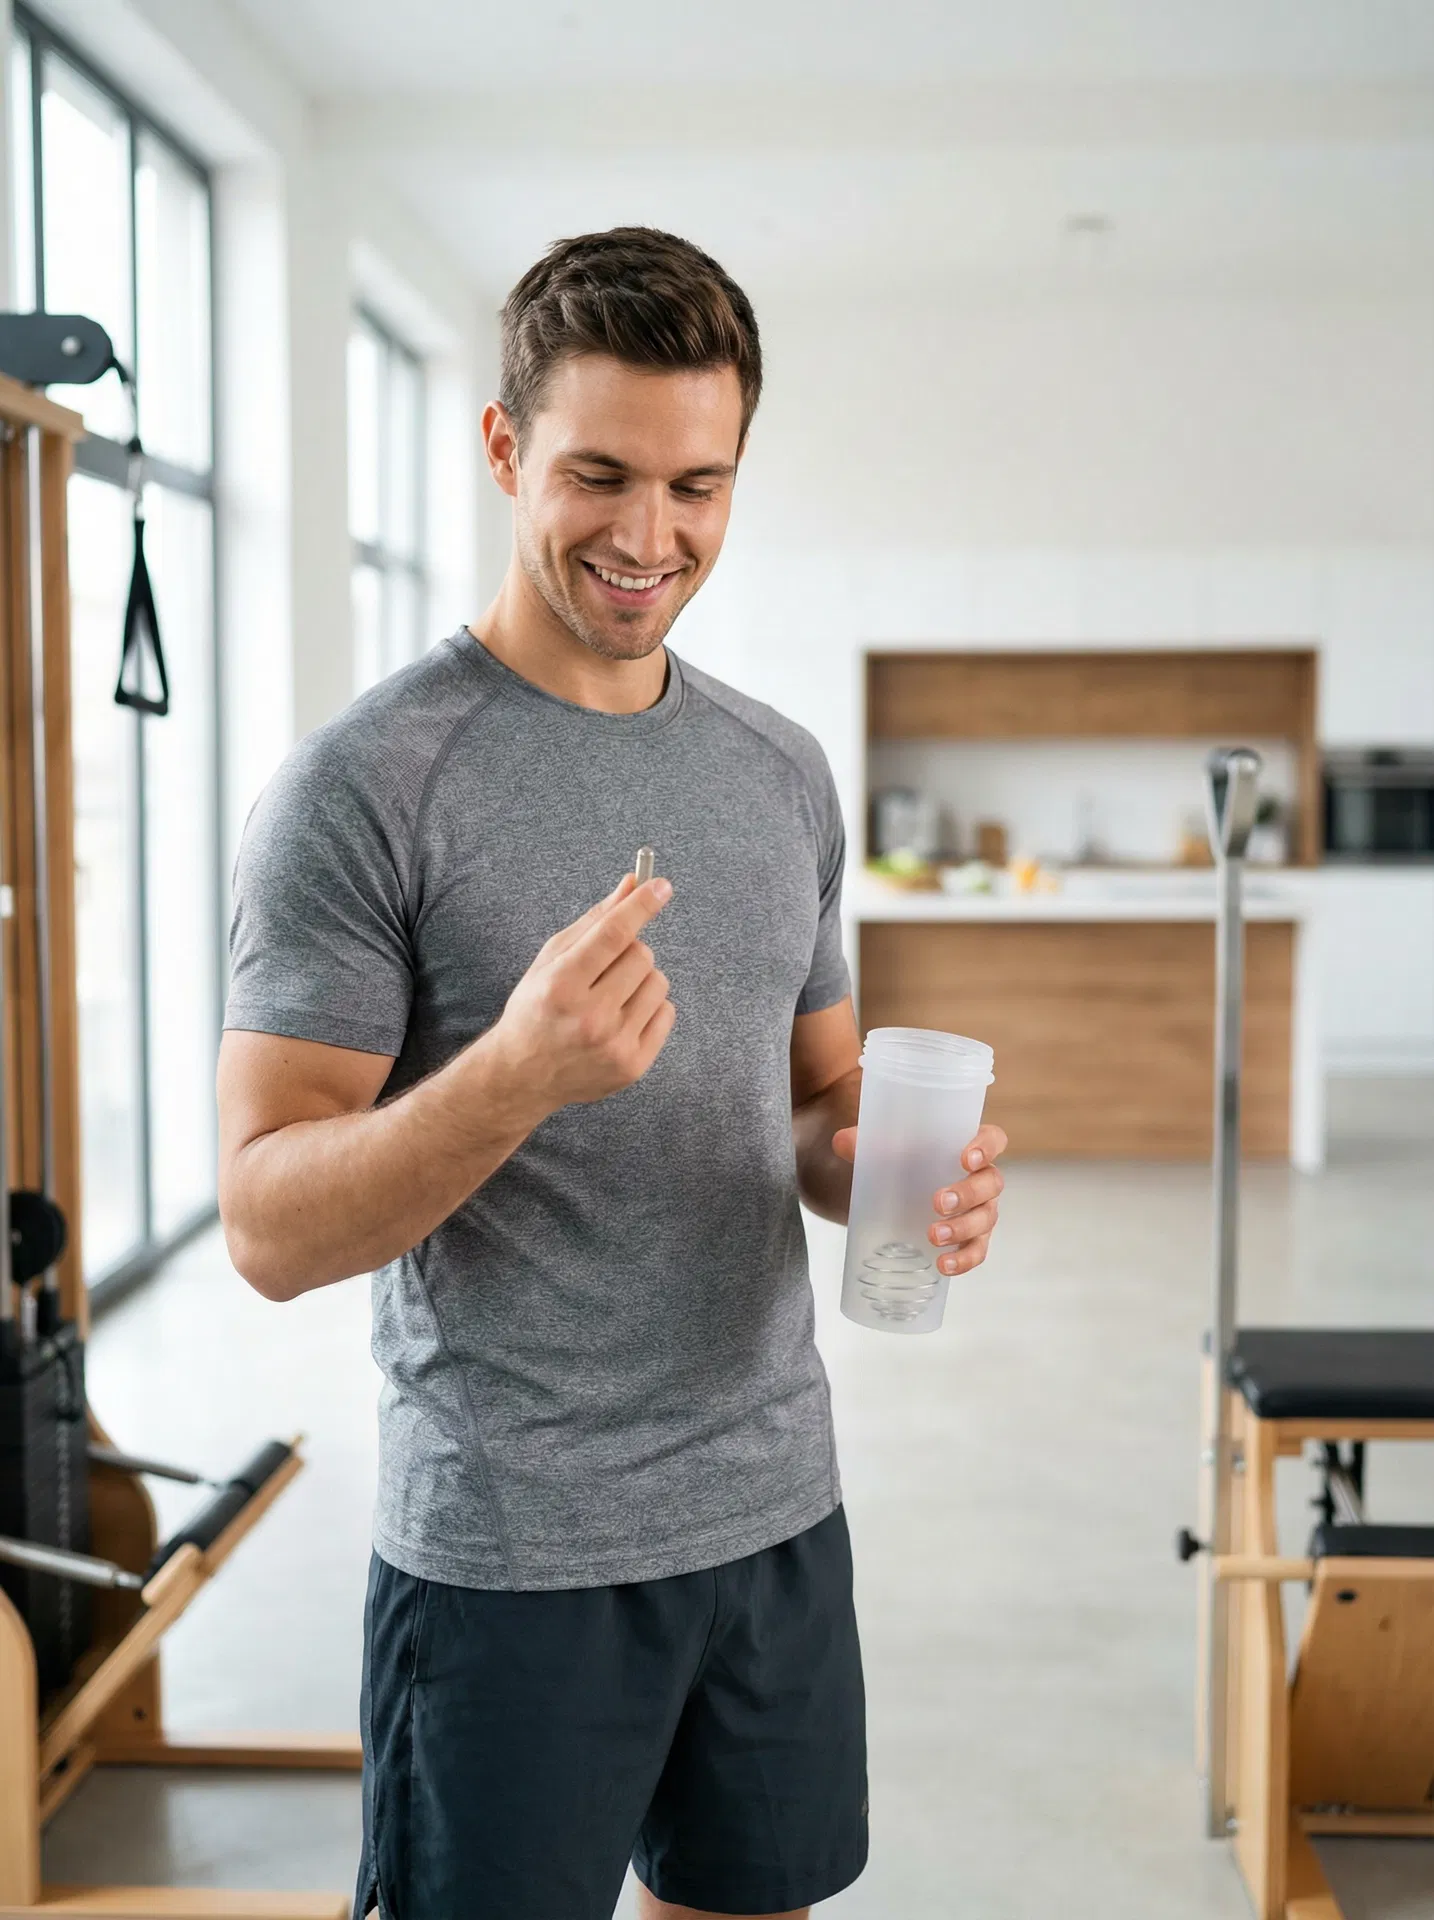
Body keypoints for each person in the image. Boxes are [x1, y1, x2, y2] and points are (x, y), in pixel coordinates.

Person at [217, 226, 1007, 1920]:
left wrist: (883, 1165)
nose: (650, 539)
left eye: (698, 488)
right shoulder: (368, 788)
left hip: (772, 1504)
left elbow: (802, 1111)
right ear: (504, 448)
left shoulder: (778, 774)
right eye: (598, 475)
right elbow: (269, 1225)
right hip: (514, 1550)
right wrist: (510, 1074)